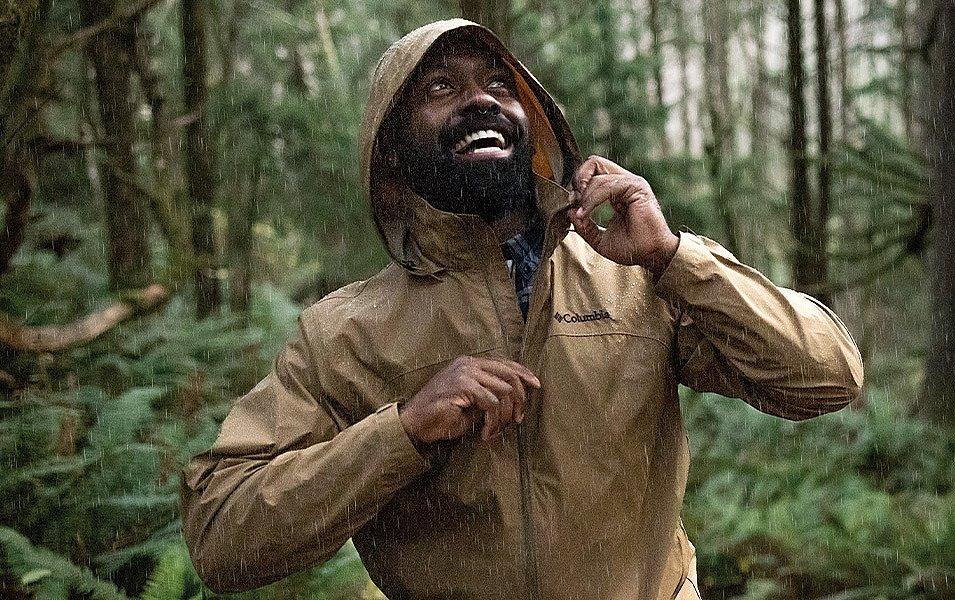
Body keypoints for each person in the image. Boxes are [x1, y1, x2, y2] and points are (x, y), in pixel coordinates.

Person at [180, 19, 863, 600]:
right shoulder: (344, 333)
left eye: (499, 84)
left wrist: (671, 258)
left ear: (532, 124)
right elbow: (222, 540)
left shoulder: (639, 279)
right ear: (391, 145)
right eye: (441, 88)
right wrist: (404, 431)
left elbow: (827, 379)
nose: (479, 100)